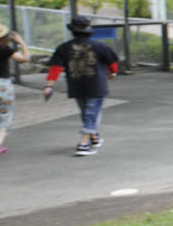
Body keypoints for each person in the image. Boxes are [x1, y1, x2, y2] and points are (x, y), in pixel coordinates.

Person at [42, 15, 120, 157]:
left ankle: (94, 137)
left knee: (86, 113)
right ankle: (83, 144)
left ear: (72, 31)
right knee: (91, 114)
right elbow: (113, 64)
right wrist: (112, 74)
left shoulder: (63, 48)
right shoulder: (100, 46)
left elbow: (55, 69)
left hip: (76, 85)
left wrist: (49, 86)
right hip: (97, 85)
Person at [0, 18, 31, 161]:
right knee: (4, 116)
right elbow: (25, 59)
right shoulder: (4, 50)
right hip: (1, 86)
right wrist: (21, 42)